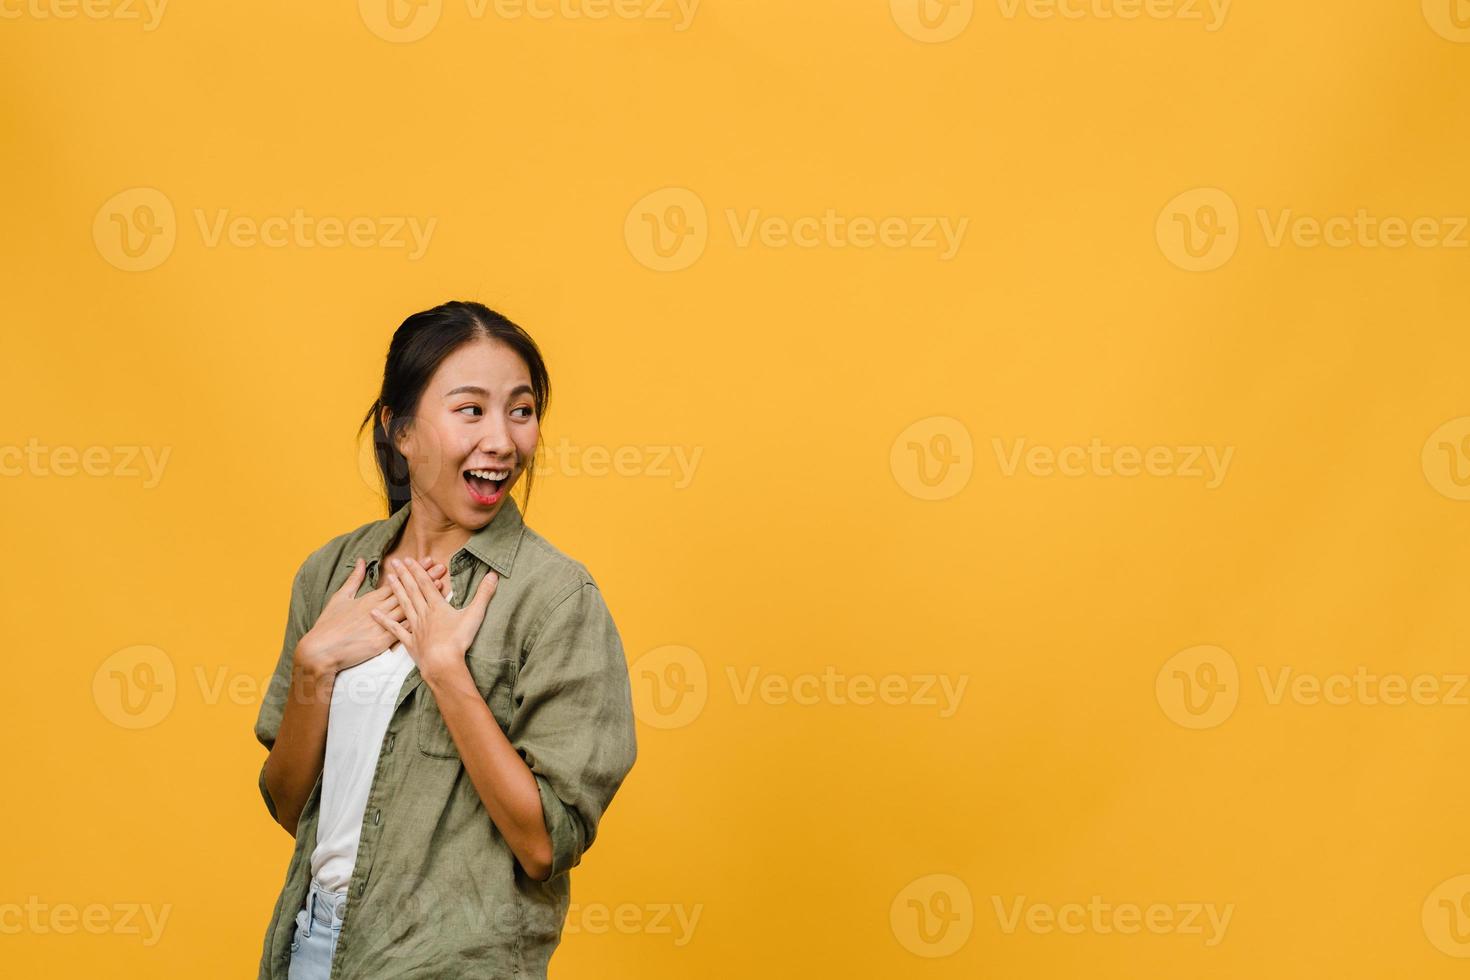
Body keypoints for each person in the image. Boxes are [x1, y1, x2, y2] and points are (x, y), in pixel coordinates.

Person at [252, 300, 638, 979]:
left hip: (454, 963)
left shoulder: (553, 599)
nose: (502, 440)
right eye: (471, 410)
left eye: (520, 411)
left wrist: (446, 671)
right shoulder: (333, 575)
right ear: (399, 430)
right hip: (314, 949)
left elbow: (544, 845)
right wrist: (316, 667)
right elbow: (290, 805)